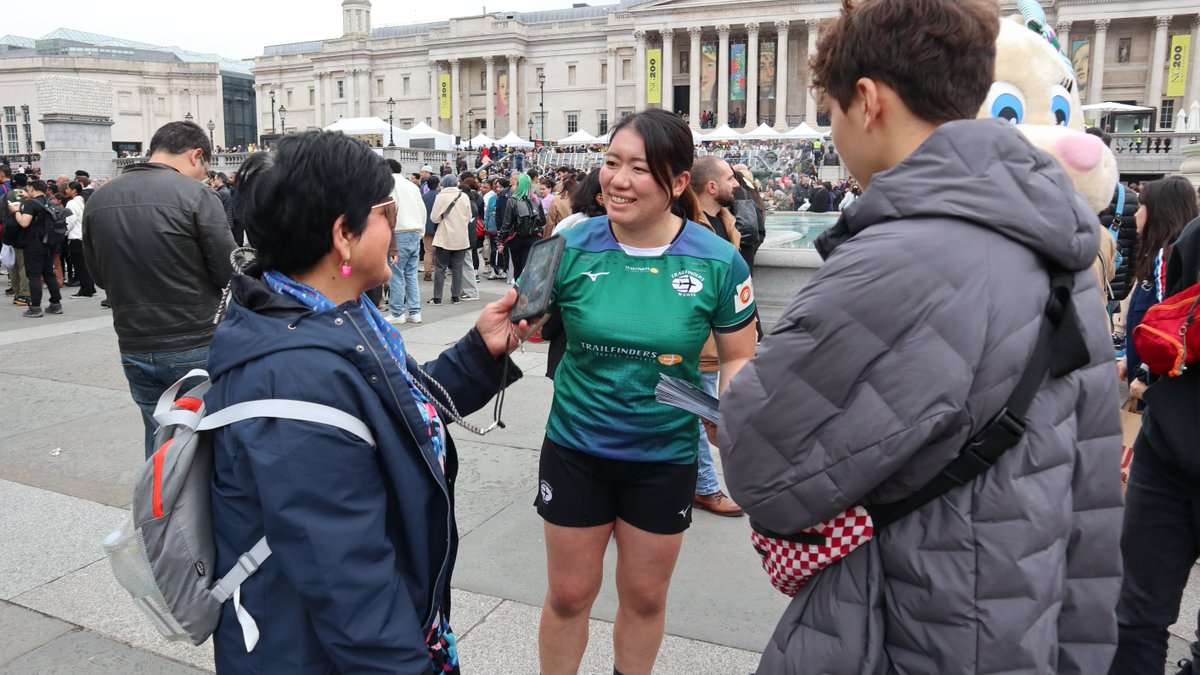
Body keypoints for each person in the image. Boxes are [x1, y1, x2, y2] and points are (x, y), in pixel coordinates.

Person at [717, 0, 1123, 672]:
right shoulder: (1061, 248)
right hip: (1025, 622)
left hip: (910, 623)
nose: (834, 131)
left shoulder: (899, 260)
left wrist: (735, 394)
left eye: (831, 110)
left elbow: (759, 458)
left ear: (868, 101)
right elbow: (1093, 497)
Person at [205, 130, 533, 673]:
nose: (398, 228)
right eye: (386, 213)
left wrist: (479, 353)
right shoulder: (292, 381)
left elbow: (390, 410)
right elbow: (352, 590)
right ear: (343, 235)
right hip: (308, 653)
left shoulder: (329, 315)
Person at [535, 108, 757, 674]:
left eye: (638, 168)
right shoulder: (570, 244)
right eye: (612, 163)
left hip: (664, 455)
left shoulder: (719, 260)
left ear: (678, 182)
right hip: (575, 447)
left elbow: (738, 353)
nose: (618, 180)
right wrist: (515, 325)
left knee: (645, 598)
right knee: (568, 595)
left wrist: (729, 409)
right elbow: (528, 322)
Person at [83, 120, 236, 457]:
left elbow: (99, 277)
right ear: (196, 155)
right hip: (193, 337)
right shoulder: (196, 194)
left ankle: (159, 491)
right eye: (204, 169)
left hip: (133, 341)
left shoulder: (100, 198)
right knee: (206, 441)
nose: (203, 176)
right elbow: (228, 271)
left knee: (158, 439)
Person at [1112, 184, 1200, 674]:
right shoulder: (1192, 239)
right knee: (1135, 614)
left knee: (1137, 614)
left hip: (1170, 441)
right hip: (1169, 448)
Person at [687, 155, 746, 517]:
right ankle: (705, 487)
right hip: (699, 344)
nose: (736, 183)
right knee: (702, 417)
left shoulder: (726, 221)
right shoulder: (686, 226)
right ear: (711, 186)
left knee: (709, 417)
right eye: (730, 177)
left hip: (723, 340)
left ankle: (697, 484)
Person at [1119, 177, 1197, 403]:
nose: (1136, 214)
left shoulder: (1165, 256)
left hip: (1158, 375)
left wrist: (1145, 372)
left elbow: (1168, 322)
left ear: (1158, 212)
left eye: (1142, 206)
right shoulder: (1165, 252)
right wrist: (1128, 358)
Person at [6, 180, 63, 318]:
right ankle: (56, 304)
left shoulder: (30, 204)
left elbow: (24, 223)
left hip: (33, 244)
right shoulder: (48, 201)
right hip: (48, 243)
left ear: (31, 188)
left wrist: (16, 211)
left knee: (33, 276)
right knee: (48, 274)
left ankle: (35, 307)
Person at [385, 158, 425, 324]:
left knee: (396, 274)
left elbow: (390, 210)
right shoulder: (412, 185)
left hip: (399, 231)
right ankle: (415, 312)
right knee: (411, 274)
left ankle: (397, 313)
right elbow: (422, 210)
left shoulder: (390, 185)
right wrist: (421, 231)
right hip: (415, 231)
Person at [428, 174, 473, 305]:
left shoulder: (440, 196)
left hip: (445, 236)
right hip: (461, 237)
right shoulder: (463, 196)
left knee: (440, 268)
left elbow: (434, 218)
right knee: (458, 268)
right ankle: (455, 296)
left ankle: (437, 297)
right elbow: (469, 216)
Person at [499, 173, 545, 280]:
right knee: (528, 268)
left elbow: (507, 223)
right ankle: (527, 289)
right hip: (533, 237)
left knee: (518, 268)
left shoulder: (512, 200)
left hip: (516, 238)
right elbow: (543, 221)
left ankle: (518, 289)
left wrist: (500, 240)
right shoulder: (536, 199)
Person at [62, 181, 94, 298]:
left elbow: (70, 221)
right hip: (85, 236)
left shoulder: (72, 203)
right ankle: (90, 287)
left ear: (74, 190)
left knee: (80, 266)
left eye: (68, 188)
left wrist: (64, 232)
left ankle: (85, 289)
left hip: (75, 237)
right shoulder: (84, 200)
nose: (66, 190)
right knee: (85, 265)